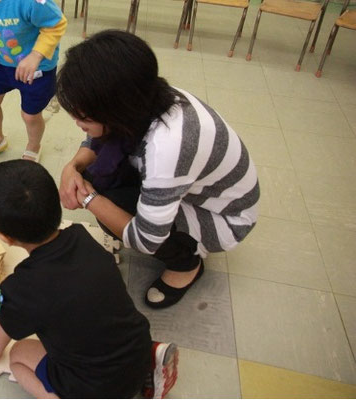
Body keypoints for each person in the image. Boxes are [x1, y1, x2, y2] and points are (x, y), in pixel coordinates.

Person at [57, 30, 260, 309]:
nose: (78, 123)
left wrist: (90, 200)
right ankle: (163, 228)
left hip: (225, 217)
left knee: (108, 203)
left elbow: (146, 238)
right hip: (192, 186)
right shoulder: (147, 96)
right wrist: (73, 166)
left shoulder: (169, 147)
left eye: (83, 117)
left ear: (116, 110)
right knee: (98, 175)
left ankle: (187, 265)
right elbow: (98, 136)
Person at [0, 160, 178, 399]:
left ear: (5, 237)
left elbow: (7, 324)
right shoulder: (82, 236)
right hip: (139, 348)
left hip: (97, 389)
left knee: (18, 355)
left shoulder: (19, 289)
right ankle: (150, 365)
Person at [0, 0, 67, 164]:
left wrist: (36, 55)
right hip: (0, 60)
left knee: (30, 116)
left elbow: (56, 24)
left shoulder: (31, 2)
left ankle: (33, 147)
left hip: (37, 67)